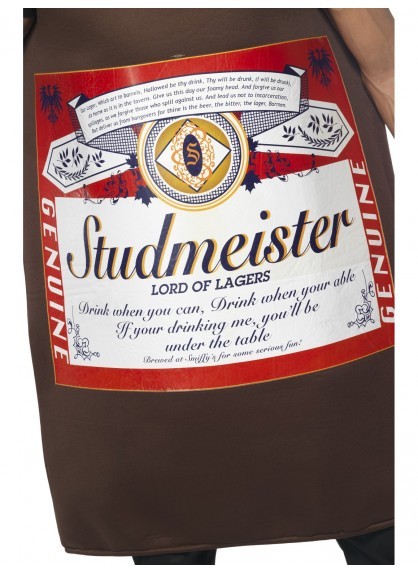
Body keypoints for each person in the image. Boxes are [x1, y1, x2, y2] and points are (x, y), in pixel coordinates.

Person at [24, 8, 394, 566]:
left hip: (292, 156)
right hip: (120, 182)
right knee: (163, 482)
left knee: (367, 459)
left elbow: (383, 58)